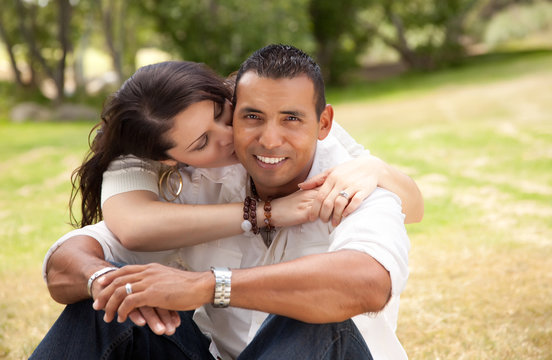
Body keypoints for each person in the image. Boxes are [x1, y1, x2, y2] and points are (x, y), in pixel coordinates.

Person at [33, 45, 412, 359]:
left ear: (323, 124)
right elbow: (70, 260)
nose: (268, 139)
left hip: (328, 351)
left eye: (292, 119)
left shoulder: (352, 182)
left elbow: (366, 283)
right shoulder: (197, 184)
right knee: (106, 306)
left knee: (318, 312)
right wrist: (104, 281)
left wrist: (209, 286)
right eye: (251, 117)